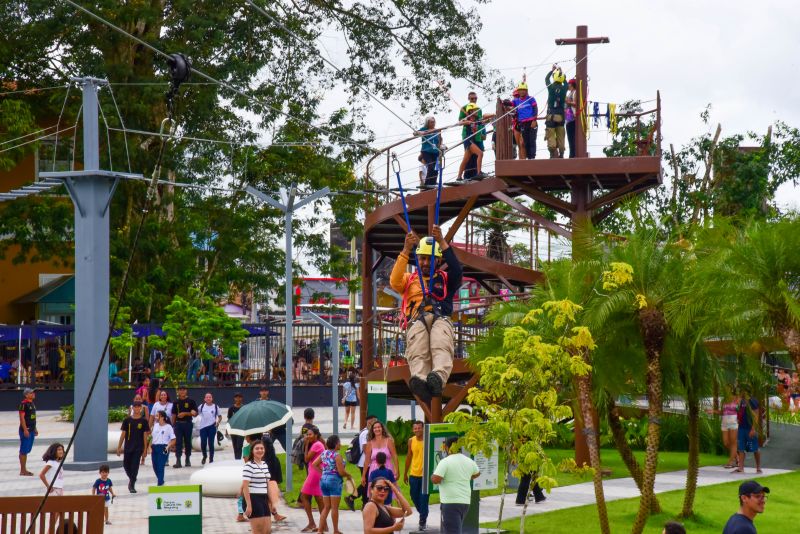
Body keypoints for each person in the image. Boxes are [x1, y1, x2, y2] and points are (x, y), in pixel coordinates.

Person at [389, 225, 463, 404]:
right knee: (418, 348)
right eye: (422, 259)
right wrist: (406, 249)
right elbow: (394, 280)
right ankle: (420, 379)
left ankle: (438, 377)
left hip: (440, 318)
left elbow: (458, 272)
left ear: (437, 261)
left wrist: (443, 242)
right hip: (417, 320)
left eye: (429, 259)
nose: (425, 263)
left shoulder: (445, 279)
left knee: (441, 343)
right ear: (417, 259)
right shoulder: (410, 280)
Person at [430, 437, 480, 534]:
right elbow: (477, 473)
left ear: (447, 447)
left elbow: (436, 479)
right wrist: (465, 477)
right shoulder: (468, 460)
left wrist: (432, 476)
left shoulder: (445, 462)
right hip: (465, 502)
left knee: (452, 531)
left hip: (450, 502)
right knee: (454, 529)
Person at [313, 434, 354, 534]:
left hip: (323, 480)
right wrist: (349, 475)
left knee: (326, 507)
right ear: (336, 445)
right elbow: (340, 472)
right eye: (339, 442)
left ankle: (320, 530)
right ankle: (335, 530)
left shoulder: (324, 453)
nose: (340, 444)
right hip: (334, 481)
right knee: (334, 507)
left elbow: (315, 464)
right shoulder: (337, 455)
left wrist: (324, 472)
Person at [242, 440, 282, 534]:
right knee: (258, 531)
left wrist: (272, 503)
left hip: (263, 499)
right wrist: (249, 505)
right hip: (253, 498)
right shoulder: (249, 466)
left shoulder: (264, 464)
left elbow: (267, 485)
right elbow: (245, 486)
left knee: (267, 530)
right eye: (257, 448)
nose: (260, 450)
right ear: (252, 451)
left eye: (262, 448)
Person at [346, 414, 378, 511]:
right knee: (366, 483)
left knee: (367, 483)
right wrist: (373, 457)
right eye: (374, 421)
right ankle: (351, 498)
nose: (376, 423)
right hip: (365, 462)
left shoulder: (368, 432)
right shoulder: (366, 433)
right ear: (369, 422)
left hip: (366, 462)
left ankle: (364, 503)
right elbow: (365, 448)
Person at [117, 404, 150, 493]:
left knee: (135, 466)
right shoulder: (127, 420)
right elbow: (123, 434)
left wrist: (145, 449)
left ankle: (132, 484)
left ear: (141, 408)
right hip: (128, 446)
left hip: (138, 447)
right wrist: (119, 447)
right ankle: (132, 478)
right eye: (135, 407)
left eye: (138, 407)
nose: (136, 408)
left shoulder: (143, 421)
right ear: (132, 408)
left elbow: (145, 436)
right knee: (126, 465)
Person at [404, 421, 429, 531]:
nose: (417, 430)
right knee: (414, 496)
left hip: (425, 476)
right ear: (413, 430)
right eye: (415, 428)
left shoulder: (428, 440)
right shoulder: (411, 441)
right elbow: (409, 457)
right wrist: (405, 473)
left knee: (423, 498)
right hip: (414, 474)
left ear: (423, 429)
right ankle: (424, 512)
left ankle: (422, 520)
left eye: (419, 428)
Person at [300, 426, 326, 533]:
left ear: (316, 435)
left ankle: (312, 523)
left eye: (310, 434)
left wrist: (306, 444)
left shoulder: (316, 445)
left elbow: (306, 459)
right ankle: (324, 525)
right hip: (316, 472)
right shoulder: (319, 444)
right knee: (319, 498)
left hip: (315, 473)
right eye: (307, 434)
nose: (308, 436)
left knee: (304, 496)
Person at [361, 421, 399, 488]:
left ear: (382, 428)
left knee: (388, 491)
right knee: (375, 492)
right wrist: (363, 476)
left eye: (379, 427)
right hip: (374, 470)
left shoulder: (389, 440)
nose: (377, 429)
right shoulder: (370, 443)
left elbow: (394, 456)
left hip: (388, 469)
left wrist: (397, 470)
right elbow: (366, 460)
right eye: (375, 428)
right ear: (372, 430)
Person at [456, 102, 487, 181]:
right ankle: (479, 172)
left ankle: (459, 177)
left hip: (472, 140)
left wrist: (492, 116)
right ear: (471, 111)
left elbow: (484, 118)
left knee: (465, 160)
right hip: (468, 140)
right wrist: (467, 122)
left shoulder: (477, 120)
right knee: (480, 153)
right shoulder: (468, 119)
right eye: (475, 110)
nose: (476, 111)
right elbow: (459, 123)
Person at [710, 390, 740, 468]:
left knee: (733, 442)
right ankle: (737, 458)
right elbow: (722, 412)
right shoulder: (724, 400)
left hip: (733, 422)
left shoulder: (737, 398)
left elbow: (741, 411)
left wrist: (740, 419)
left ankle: (730, 462)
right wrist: (713, 411)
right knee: (726, 443)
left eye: (727, 388)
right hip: (724, 422)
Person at [734, 389, 762, 473]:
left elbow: (756, 416)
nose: (740, 393)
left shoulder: (753, 401)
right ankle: (741, 468)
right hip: (741, 427)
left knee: (755, 449)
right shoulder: (742, 401)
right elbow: (738, 412)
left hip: (750, 428)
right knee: (741, 448)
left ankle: (758, 467)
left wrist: (753, 429)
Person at [171, 385, 197, 468]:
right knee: (178, 442)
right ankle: (178, 460)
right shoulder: (176, 402)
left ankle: (187, 459)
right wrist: (173, 425)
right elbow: (174, 414)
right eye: (180, 390)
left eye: (183, 390)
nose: (182, 391)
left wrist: (185, 413)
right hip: (178, 424)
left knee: (187, 442)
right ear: (178, 391)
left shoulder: (191, 401)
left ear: (186, 391)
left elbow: (195, 413)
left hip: (188, 423)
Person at [545, 65, 568, 158]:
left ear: (554, 78)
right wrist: (561, 72)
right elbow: (565, 82)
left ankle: (552, 152)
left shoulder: (551, 88)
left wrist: (552, 71)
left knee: (550, 135)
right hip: (561, 116)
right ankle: (561, 154)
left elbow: (546, 79)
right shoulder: (564, 89)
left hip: (551, 115)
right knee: (561, 135)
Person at [511, 82, 538, 160]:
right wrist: (504, 102)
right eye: (520, 90)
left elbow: (535, 109)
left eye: (524, 90)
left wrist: (534, 120)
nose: (522, 91)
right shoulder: (516, 101)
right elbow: (510, 104)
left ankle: (532, 157)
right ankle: (527, 157)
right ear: (518, 91)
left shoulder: (531, 99)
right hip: (522, 123)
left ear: (526, 91)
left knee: (532, 140)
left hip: (531, 122)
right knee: (524, 142)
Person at [414, 116, 443, 188]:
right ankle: (427, 184)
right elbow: (415, 133)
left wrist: (440, 149)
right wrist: (422, 132)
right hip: (426, 151)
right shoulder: (424, 129)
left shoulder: (437, 130)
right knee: (430, 167)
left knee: (436, 168)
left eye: (434, 122)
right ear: (428, 123)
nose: (433, 123)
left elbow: (439, 140)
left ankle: (433, 183)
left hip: (435, 151)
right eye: (431, 122)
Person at [198, 392, 222, 464]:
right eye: (207, 397)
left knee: (211, 443)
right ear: (204, 399)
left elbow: (220, 416)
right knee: (203, 443)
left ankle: (211, 459)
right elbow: (196, 413)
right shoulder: (201, 406)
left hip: (212, 427)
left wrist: (218, 422)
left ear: (212, 398)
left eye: (210, 397)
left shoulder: (215, 407)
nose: (208, 398)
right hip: (203, 427)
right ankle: (204, 456)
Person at [18, 387, 37, 476]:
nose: (33, 394)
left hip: (32, 429)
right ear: (26, 395)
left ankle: (24, 469)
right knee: (23, 450)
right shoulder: (23, 404)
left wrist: (35, 428)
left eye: (33, 393)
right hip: (26, 430)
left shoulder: (32, 403)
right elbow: (22, 418)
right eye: (31, 393)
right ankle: (23, 470)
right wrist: (25, 429)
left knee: (28, 449)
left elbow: (32, 417)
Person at [227, 392, 245, 459]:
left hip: (241, 429)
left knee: (239, 445)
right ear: (234, 398)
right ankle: (236, 459)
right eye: (236, 397)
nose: (238, 399)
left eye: (239, 397)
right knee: (235, 446)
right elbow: (229, 419)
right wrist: (227, 429)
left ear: (242, 398)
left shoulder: (244, 407)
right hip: (233, 429)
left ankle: (238, 459)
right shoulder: (231, 408)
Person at [565, 78, 577, 158]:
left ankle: (572, 154)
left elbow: (576, 103)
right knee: (569, 137)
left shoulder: (575, 92)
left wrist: (568, 102)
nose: (567, 85)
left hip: (572, 116)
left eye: (569, 84)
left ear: (571, 85)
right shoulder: (570, 93)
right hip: (568, 117)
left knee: (572, 136)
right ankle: (571, 153)